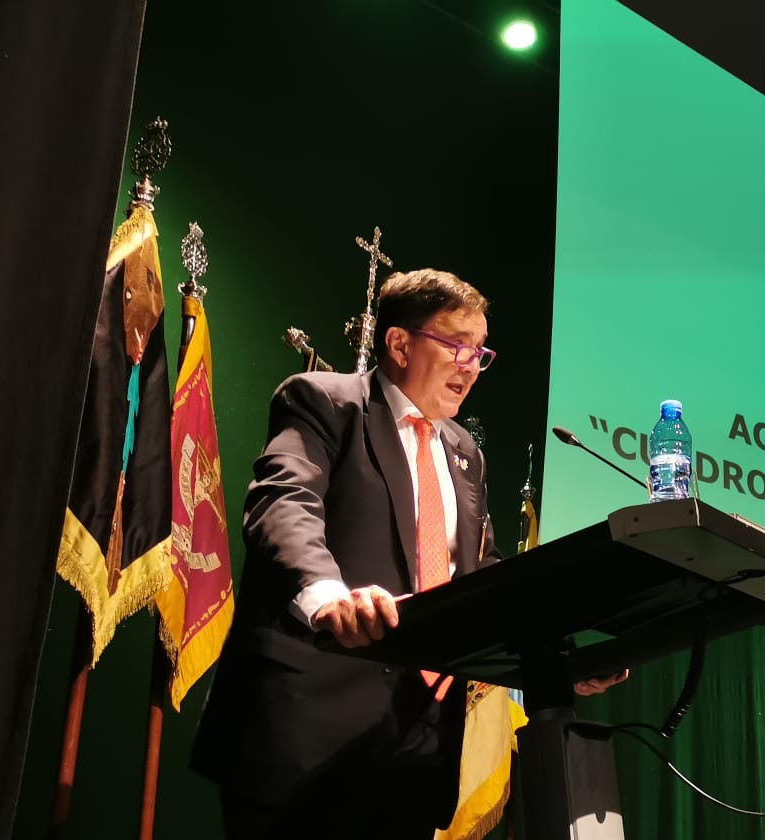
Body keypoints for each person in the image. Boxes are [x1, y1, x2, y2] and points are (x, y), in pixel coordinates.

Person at [191, 268, 625, 840]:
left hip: (414, 751)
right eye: (457, 346)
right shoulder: (325, 402)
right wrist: (329, 598)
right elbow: (284, 501)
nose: (471, 366)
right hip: (305, 737)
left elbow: (485, 577)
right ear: (399, 343)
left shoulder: (464, 451)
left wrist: (561, 656)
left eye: (480, 352)